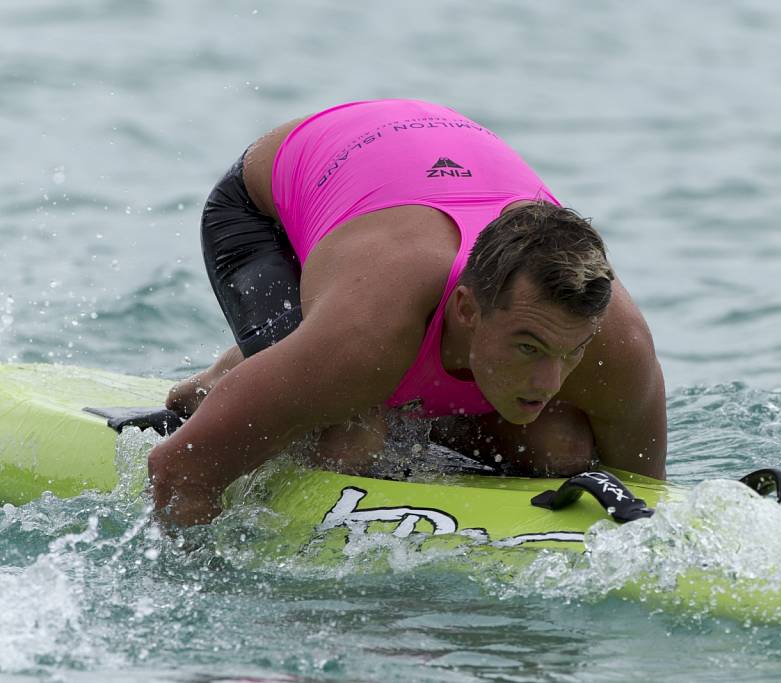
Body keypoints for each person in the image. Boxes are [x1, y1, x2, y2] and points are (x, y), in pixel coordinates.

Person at [148, 99, 666, 527]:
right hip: (271, 205)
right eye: (528, 347)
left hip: (431, 168)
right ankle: (234, 378)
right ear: (466, 309)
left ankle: (305, 373)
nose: (549, 379)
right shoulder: (367, 332)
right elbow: (179, 468)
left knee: (561, 451)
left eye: (569, 352)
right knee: (350, 441)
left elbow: (647, 498)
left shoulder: (618, 347)